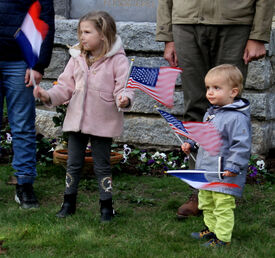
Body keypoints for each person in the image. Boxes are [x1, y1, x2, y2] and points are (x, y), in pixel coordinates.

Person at [156, 0, 274, 217]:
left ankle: (225, 190)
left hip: (235, 22)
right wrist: (168, 35)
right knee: (195, 110)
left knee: (229, 111)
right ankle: (199, 191)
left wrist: (258, 34)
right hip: (186, 21)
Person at [34, 11, 135, 222]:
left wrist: (124, 98)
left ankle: (106, 207)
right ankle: (68, 202)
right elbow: (64, 87)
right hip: (76, 120)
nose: (82, 37)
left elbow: (123, 87)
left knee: (102, 165)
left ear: (104, 35)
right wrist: (48, 95)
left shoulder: (118, 60)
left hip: (102, 121)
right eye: (80, 32)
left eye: (87, 32)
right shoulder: (76, 58)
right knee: (73, 163)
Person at [181, 64, 251, 247]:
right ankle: (211, 230)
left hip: (224, 173)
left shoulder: (237, 118)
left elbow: (241, 146)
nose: (210, 93)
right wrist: (192, 144)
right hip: (207, 170)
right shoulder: (210, 114)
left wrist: (233, 167)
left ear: (233, 92)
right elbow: (205, 135)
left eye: (216, 88)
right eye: (208, 88)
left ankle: (223, 238)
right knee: (206, 203)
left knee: (222, 206)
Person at [0, 0, 55, 209]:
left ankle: (24, 184)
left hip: (20, 61)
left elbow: (45, 18)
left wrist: (39, 64)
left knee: (22, 126)